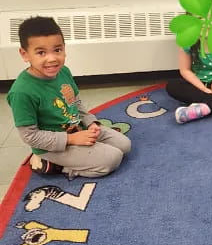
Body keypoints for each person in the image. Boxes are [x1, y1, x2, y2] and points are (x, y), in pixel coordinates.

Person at [7, 16, 131, 178]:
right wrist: (71, 139)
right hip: (52, 146)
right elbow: (30, 136)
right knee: (112, 159)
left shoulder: (63, 72)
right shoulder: (21, 92)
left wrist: (90, 122)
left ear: (64, 48)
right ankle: (55, 166)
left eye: (57, 50)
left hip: (77, 129)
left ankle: (84, 150)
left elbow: (76, 103)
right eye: (41, 52)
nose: (51, 59)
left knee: (124, 145)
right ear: (25, 54)